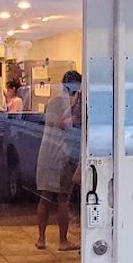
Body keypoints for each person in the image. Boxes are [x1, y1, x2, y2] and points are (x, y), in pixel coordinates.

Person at [35, 69, 82, 251]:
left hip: (45, 153)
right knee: (63, 198)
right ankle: (63, 240)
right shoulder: (72, 104)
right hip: (63, 155)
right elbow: (68, 125)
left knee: (44, 197)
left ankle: (41, 239)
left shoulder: (51, 102)